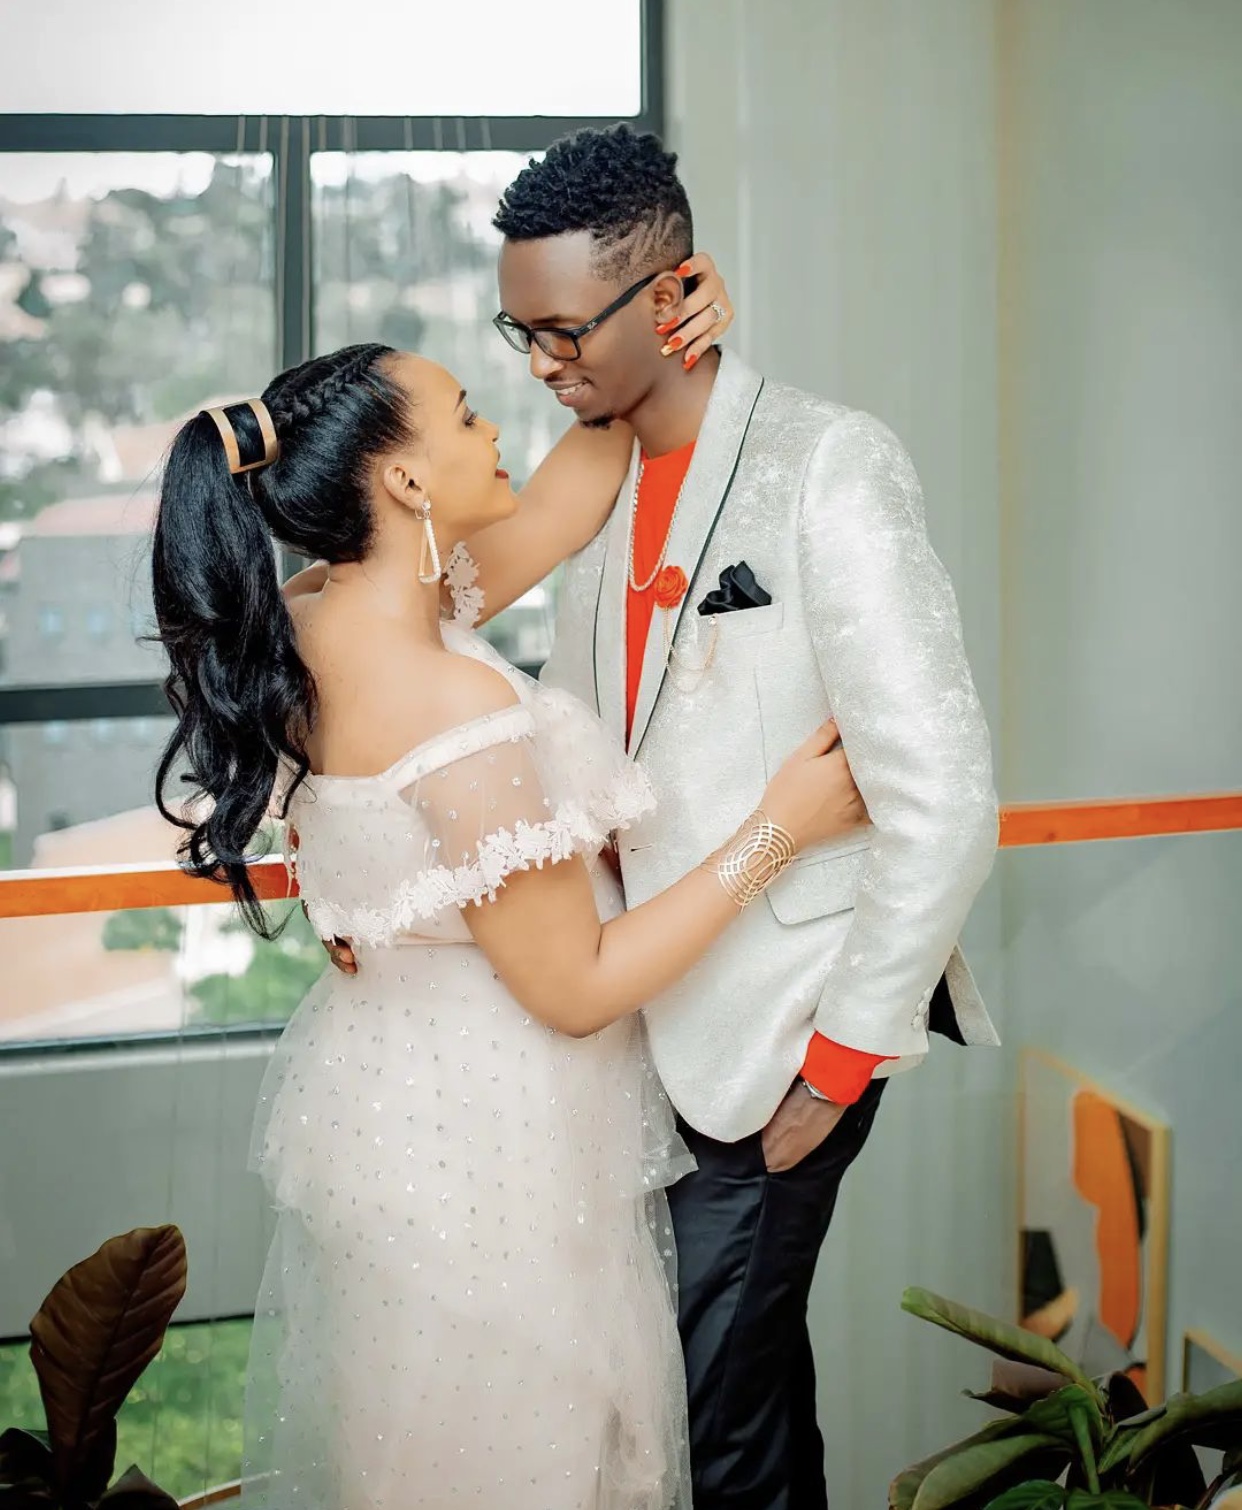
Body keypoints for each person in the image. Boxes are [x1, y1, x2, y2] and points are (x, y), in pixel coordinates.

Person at [149, 341, 869, 1509]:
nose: (495, 431)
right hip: (491, 1145)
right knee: (523, 1450)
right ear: (405, 481)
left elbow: (559, 503)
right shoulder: (452, 706)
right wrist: (782, 827)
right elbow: (576, 985)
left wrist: (636, 346)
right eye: (467, 413)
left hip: (392, 1095)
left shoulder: (315, 616)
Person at [472, 124, 1001, 1508]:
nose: (541, 364)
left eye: (566, 332)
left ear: (673, 292)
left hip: (774, 1036)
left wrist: (838, 1061)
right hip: (632, 1027)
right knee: (728, 1407)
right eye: (520, 332)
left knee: (707, 1428)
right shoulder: (588, 480)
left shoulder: (829, 460)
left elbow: (944, 792)